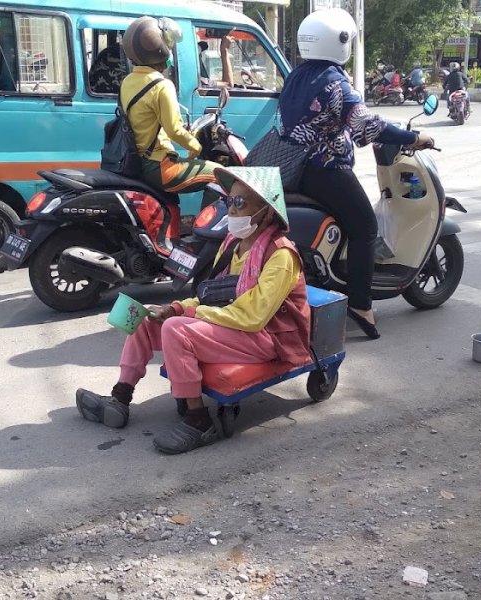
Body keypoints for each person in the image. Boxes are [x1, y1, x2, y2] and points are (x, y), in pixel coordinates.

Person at [76, 166, 311, 454]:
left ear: (265, 210)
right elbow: (213, 296)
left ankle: (200, 421)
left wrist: (186, 315)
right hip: (236, 327)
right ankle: (120, 398)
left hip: (268, 337)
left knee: (177, 329)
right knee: (145, 318)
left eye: (239, 203)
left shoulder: (281, 255)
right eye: (229, 202)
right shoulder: (233, 245)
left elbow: (253, 317)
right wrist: (174, 307)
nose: (231, 210)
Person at [278, 8, 433, 340]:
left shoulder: (296, 76)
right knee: (365, 227)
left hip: (293, 167)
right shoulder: (335, 82)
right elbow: (366, 126)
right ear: (341, 42)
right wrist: (412, 137)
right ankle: (362, 305)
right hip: (325, 170)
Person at [120, 16, 220, 202]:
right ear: (160, 50)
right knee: (220, 175)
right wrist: (196, 147)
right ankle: (208, 229)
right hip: (158, 167)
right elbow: (174, 130)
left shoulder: (127, 82)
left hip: (136, 163)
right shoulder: (162, 85)